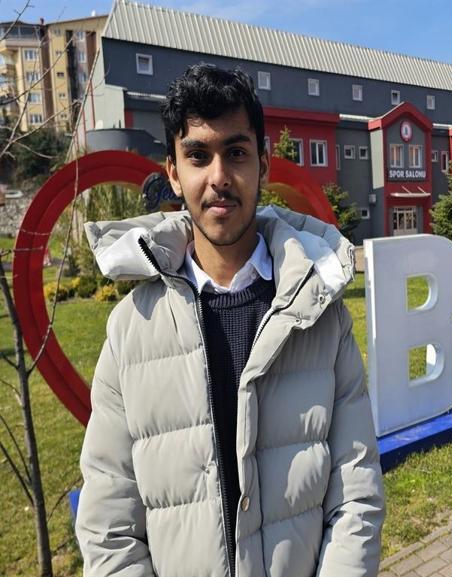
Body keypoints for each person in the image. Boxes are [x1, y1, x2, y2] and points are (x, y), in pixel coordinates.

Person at [75, 64, 384, 577]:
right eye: (197, 155)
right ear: (173, 171)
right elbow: (109, 528)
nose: (218, 177)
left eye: (236, 153)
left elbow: (357, 496)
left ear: (263, 164)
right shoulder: (132, 330)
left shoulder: (320, 316)